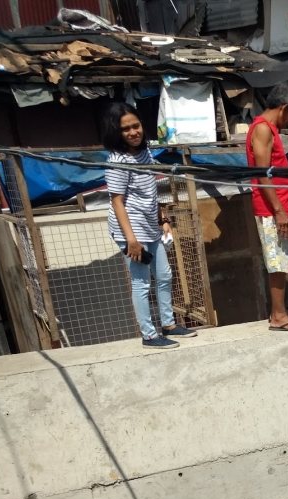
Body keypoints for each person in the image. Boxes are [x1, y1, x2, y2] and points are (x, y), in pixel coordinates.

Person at [103, 102, 196, 350]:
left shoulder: (145, 153)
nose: (134, 132)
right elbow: (117, 202)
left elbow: (150, 192)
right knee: (141, 282)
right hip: (131, 230)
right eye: (126, 129)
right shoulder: (117, 161)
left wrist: (162, 218)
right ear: (117, 132)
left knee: (164, 274)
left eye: (136, 126)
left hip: (149, 226)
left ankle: (168, 324)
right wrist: (131, 240)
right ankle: (149, 335)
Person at [246, 82, 288, 332]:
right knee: (277, 262)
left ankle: (281, 311)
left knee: (282, 261)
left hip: (280, 207)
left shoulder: (268, 129)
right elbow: (262, 174)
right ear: (284, 108)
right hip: (272, 210)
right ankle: (278, 316)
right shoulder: (262, 129)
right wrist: (279, 211)